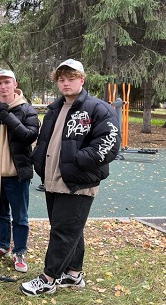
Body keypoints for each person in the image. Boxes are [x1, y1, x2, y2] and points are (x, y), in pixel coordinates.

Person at [20, 59, 120, 296]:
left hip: (78, 181)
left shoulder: (97, 108)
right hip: (53, 178)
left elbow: (109, 143)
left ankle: (48, 278)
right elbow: (45, 140)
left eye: (71, 78)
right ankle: (73, 274)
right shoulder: (55, 109)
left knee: (63, 231)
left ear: (82, 80)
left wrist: (78, 160)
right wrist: (38, 160)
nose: (66, 83)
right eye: (61, 80)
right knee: (68, 228)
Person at [0, 70, 39, 273]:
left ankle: (19, 251)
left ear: (14, 84)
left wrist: (8, 118)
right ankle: (2, 244)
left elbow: (29, 136)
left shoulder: (27, 109)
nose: (3, 87)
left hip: (16, 173)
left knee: (20, 216)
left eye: (7, 82)